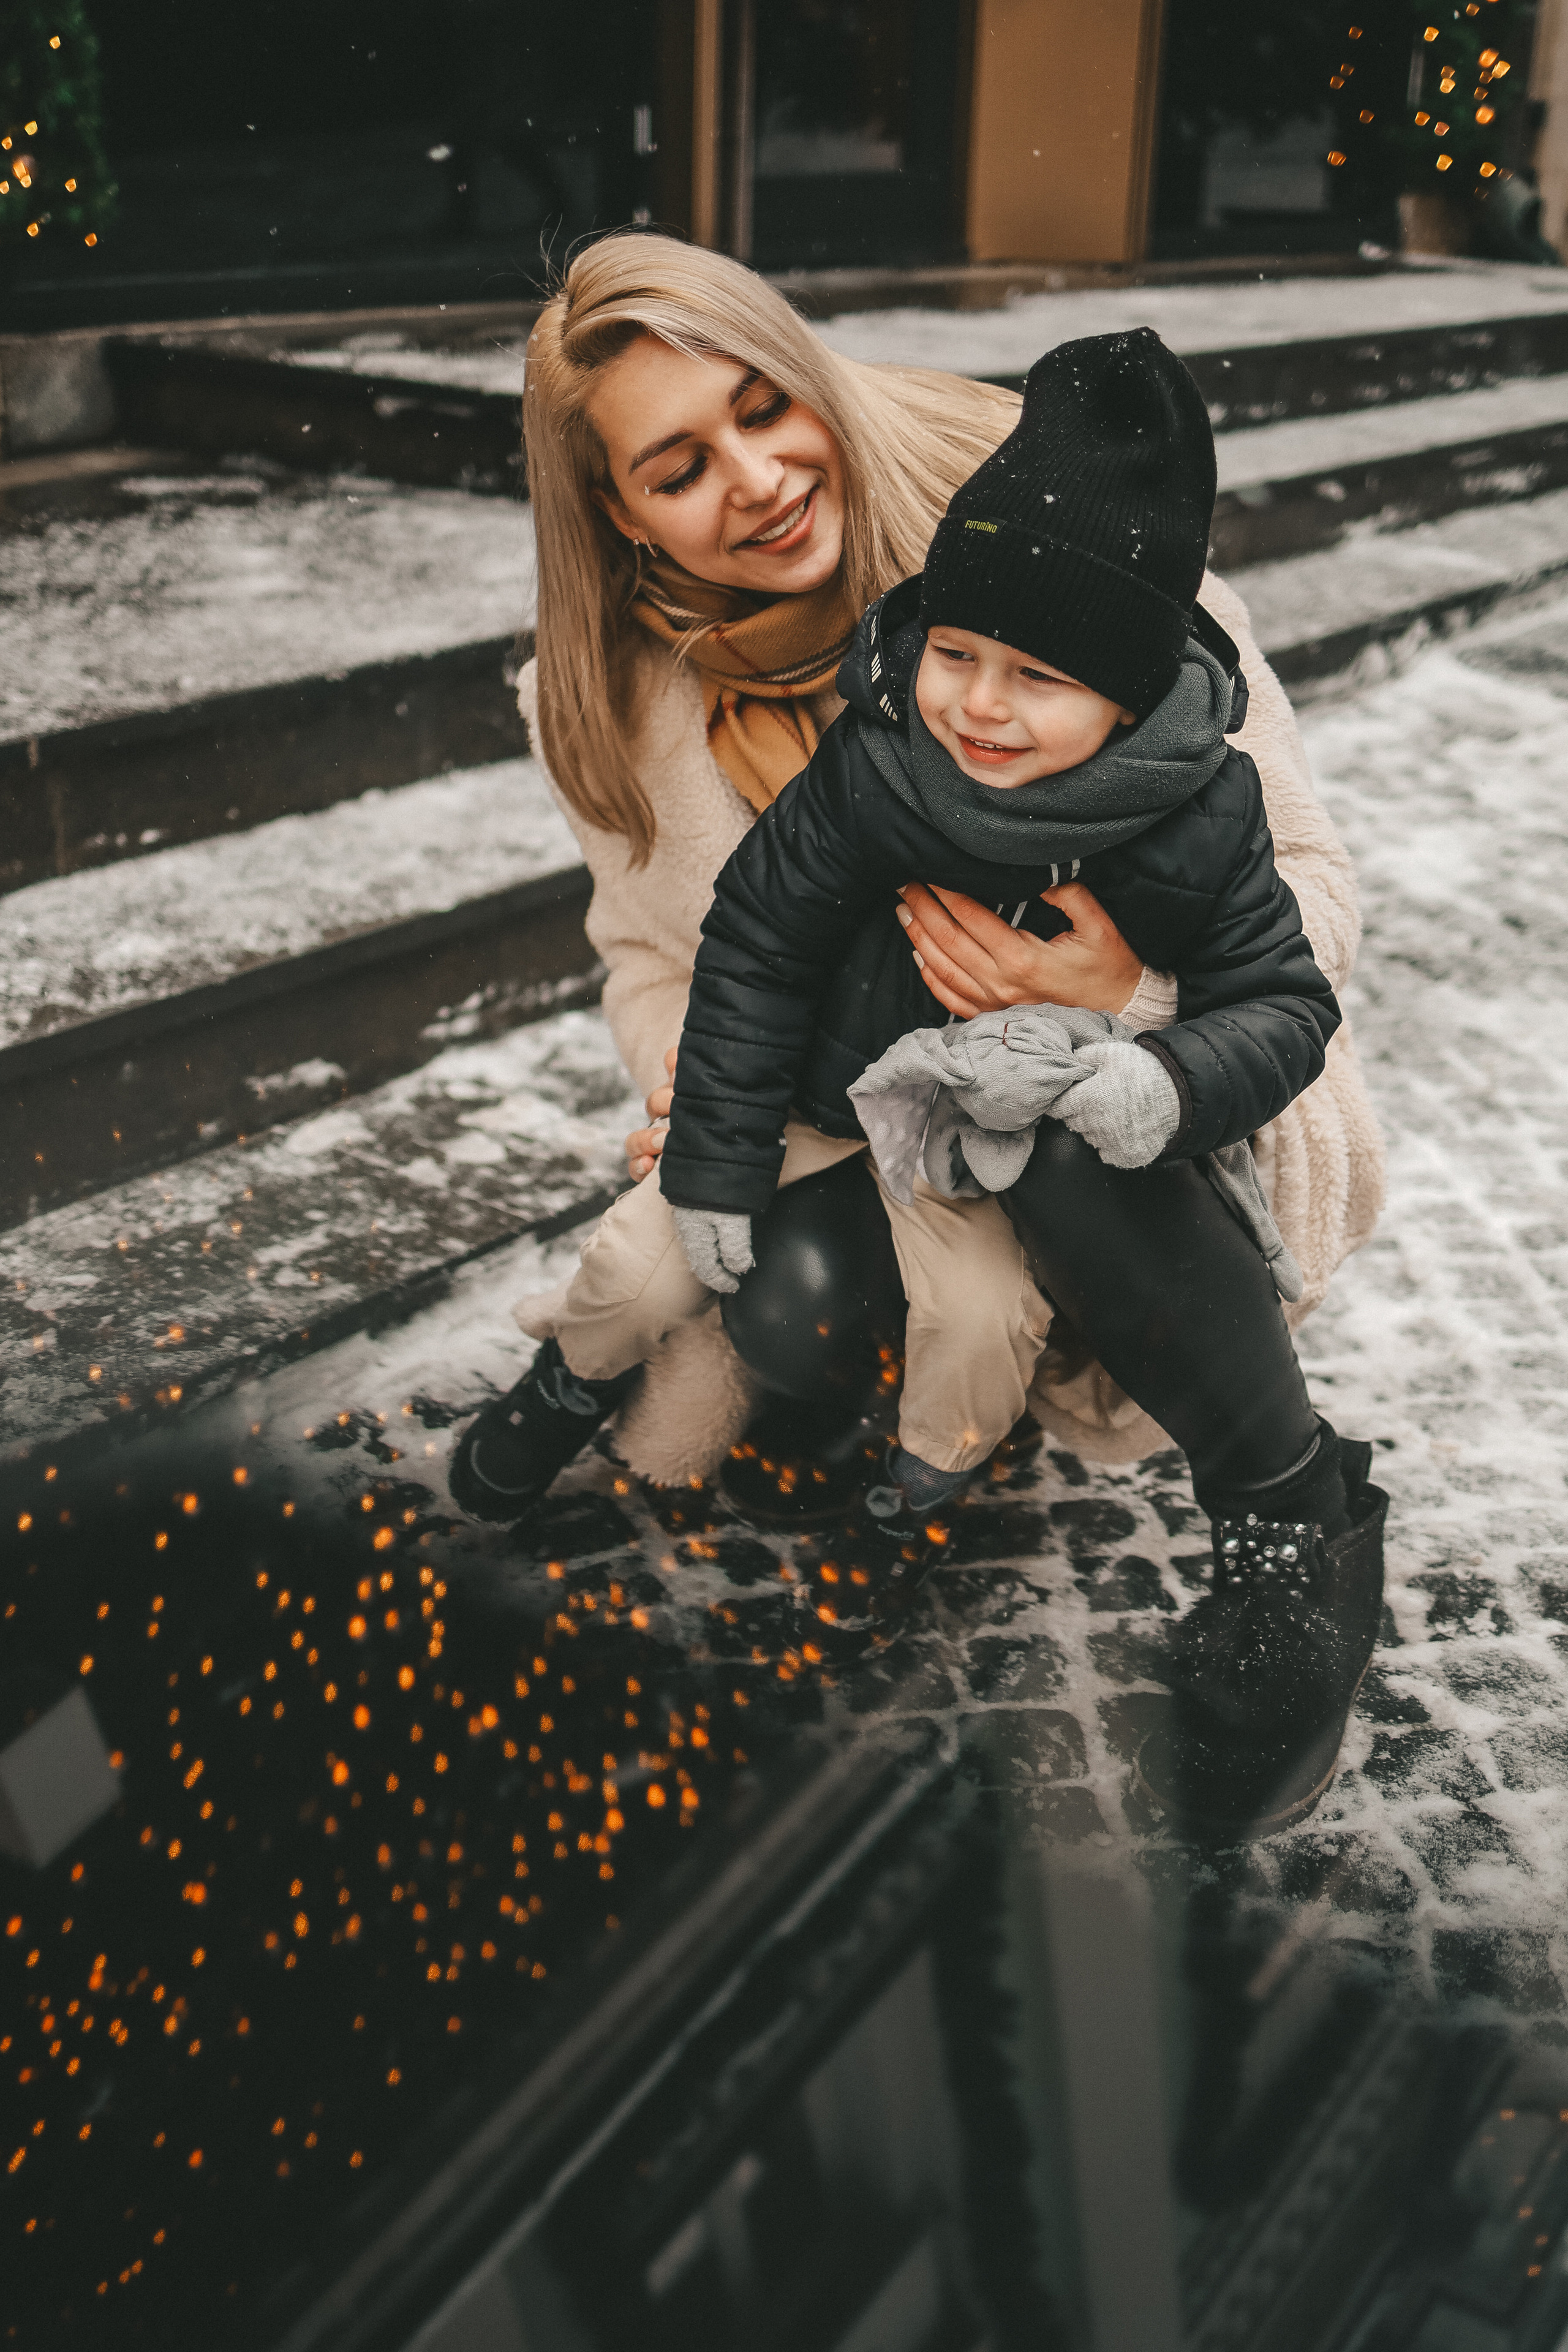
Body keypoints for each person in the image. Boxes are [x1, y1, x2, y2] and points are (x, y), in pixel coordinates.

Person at [447, 235, 1387, 1834]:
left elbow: (1309, 900)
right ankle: (925, 1376)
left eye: (765, 407)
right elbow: (661, 949)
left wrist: (1122, 998)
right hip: (863, 1109)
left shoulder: (1055, 520)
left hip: (1143, 1097)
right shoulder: (602, 685)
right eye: (680, 465)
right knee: (793, 1322)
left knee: (1054, 1109)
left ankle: (1290, 1519)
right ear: (616, 511)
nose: (754, 479)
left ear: (807, 372)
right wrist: (685, 1082)